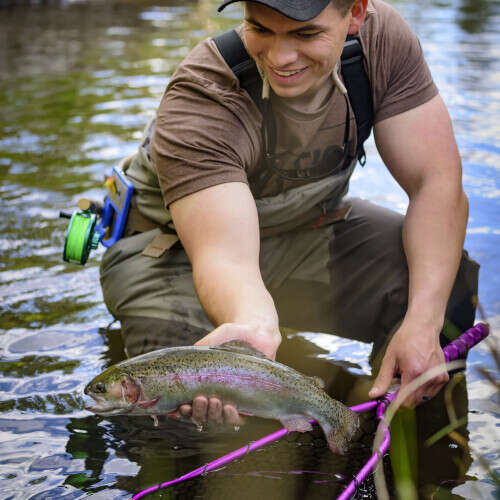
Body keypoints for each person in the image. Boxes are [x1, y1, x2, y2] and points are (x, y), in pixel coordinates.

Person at [99, 0, 478, 426]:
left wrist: (423, 323)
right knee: (178, 411)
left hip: (303, 233)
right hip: (174, 258)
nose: (280, 58)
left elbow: (436, 185)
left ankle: (405, 446)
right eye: (260, 28)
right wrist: (252, 327)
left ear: (355, 14)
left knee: (444, 284)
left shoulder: (381, 42)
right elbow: (224, 256)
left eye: (305, 34)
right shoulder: (203, 94)